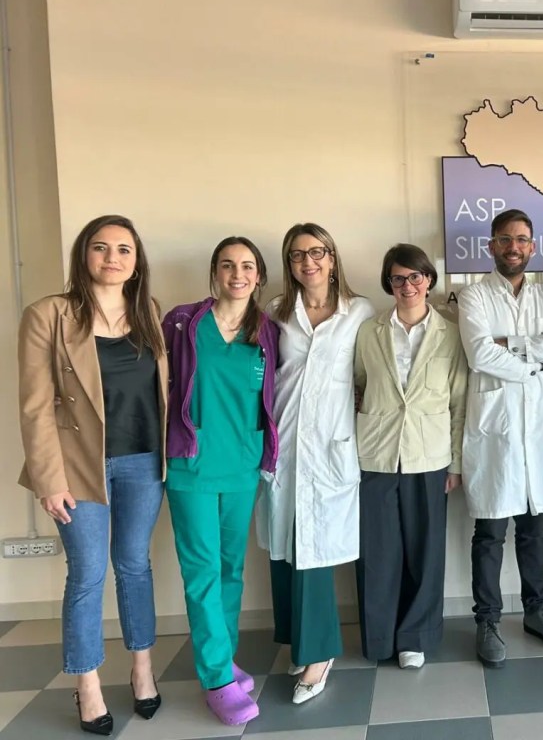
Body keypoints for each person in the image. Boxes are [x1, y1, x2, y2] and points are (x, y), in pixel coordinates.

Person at [18, 215, 166, 736]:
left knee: (135, 565)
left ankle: (142, 670)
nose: (112, 258)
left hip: (144, 461)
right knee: (86, 574)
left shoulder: (148, 312)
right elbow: (35, 406)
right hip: (77, 467)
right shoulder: (48, 315)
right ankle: (88, 685)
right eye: (101, 247)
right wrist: (48, 479)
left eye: (124, 249)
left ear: (136, 261)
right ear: (84, 254)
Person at [162, 237, 279, 726]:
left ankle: (224, 658)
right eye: (228, 265)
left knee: (232, 569)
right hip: (191, 466)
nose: (238, 274)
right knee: (203, 571)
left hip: (243, 465)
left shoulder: (267, 331)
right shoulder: (183, 322)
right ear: (215, 272)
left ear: (259, 276)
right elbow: (158, 385)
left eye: (247, 266)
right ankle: (215, 679)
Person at [254, 223, 372, 704]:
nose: (309, 262)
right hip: (284, 442)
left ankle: (319, 654)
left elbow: (370, 373)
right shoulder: (275, 313)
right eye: (298, 254)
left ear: (332, 257)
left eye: (317, 252)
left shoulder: (359, 311)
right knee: (286, 549)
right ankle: (300, 642)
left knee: (315, 551)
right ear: (290, 263)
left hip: (331, 446)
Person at [458, 208, 543, 668]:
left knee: (534, 529)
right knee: (490, 532)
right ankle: (487, 621)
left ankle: (537, 612)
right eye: (505, 239)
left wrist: (511, 345)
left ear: (533, 246)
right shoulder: (474, 297)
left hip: (538, 432)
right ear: (492, 245)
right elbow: (479, 354)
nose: (514, 247)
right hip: (496, 433)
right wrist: (536, 361)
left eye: (522, 239)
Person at [353, 243, 469, 669]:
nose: (407, 285)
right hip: (377, 454)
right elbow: (358, 382)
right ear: (389, 283)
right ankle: (380, 637)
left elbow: (459, 400)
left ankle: (415, 638)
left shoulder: (450, 333)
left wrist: (455, 463)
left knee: (425, 550)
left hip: (429, 454)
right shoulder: (368, 331)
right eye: (398, 278)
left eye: (415, 277)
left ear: (429, 280)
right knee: (378, 552)